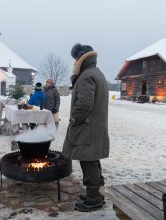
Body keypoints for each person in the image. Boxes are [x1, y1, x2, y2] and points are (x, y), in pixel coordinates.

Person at [62, 43, 109, 212]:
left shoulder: (86, 75)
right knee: (93, 160)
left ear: (80, 59)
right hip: (95, 128)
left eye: (75, 59)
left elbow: (84, 104)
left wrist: (74, 119)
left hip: (87, 129)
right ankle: (94, 194)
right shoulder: (97, 73)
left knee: (88, 163)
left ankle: (93, 199)